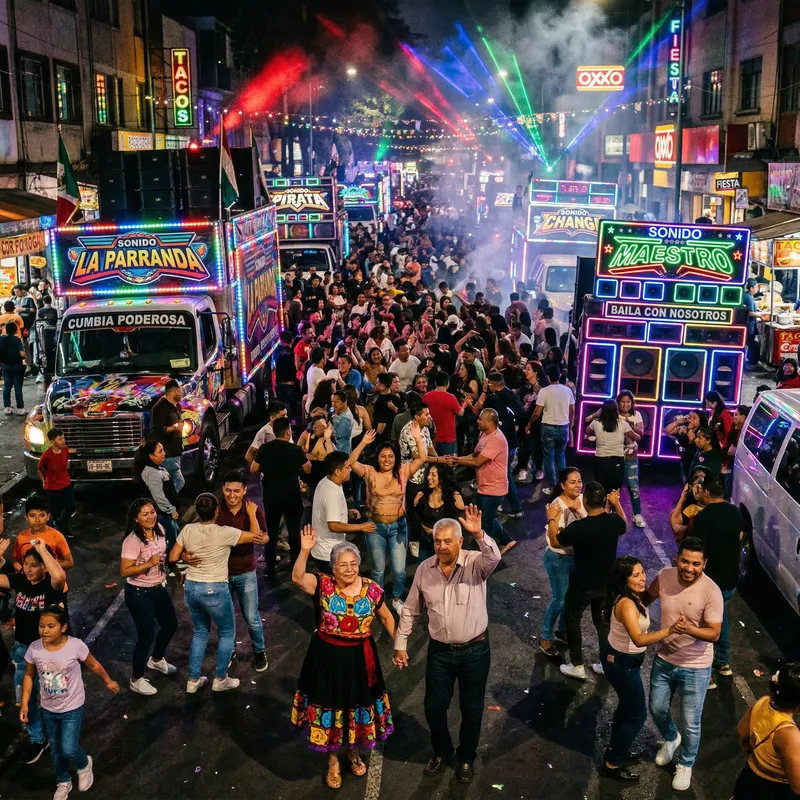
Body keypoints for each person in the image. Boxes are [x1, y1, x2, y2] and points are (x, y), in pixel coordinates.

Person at [393, 507, 501, 785]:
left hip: (475, 651)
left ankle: (466, 757)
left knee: (472, 707)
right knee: (433, 707)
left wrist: (480, 534)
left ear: (459, 541)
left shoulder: (476, 563)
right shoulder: (424, 570)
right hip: (440, 652)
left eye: (447, 541)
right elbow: (411, 609)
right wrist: (401, 644)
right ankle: (442, 750)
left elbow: (494, 557)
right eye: (437, 541)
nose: (441, 546)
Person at [291, 532, 396, 790]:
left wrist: (400, 646)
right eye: (342, 565)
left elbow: (387, 618)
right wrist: (304, 551)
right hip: (327, 660)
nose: (349, 569)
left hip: (360, 659)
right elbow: (296, 578)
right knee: (331, 705)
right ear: (333, 569)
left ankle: (352, 751)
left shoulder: (372, 590)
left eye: (353, 564)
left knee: (356, 705)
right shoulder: (323, 585)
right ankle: (333, 761)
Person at [643, 537, 723, 792]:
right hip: (665, 657)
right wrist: (623, 603)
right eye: (685, 561)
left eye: (696, 564)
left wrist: (688, 629)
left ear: (705, 564)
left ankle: (686, 763)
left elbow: (714, 634)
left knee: (691, 720)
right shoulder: (665, 576)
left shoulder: (712, 591)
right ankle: (670, 737)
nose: (689, 568)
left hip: (696, 666)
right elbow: (646, 597)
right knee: (656, 707)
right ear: (677, 557)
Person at [168, 493, 266, 693]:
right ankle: (220, 678)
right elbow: (256, 536)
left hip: (192, 587)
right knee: (228, 633)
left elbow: (173, 556)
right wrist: (252, 513)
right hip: (214, 589)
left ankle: (193, 680)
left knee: (200, 632)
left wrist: (186, 559)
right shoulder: (224, 532)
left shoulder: (188, 529)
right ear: (217, 511)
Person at [20, 605, 120, 799]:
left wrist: (108, 681)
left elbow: (93, 664)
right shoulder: (35, 648)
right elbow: (29, 676)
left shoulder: (75, 646)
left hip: (72, 707)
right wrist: (24, 703)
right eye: (41, 626)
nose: (45, 630)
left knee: (69, 748)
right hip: (48, 709)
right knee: (56, 750)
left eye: (50, 626)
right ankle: (63, 781)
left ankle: (84, 765)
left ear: (63, 627)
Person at [599, 557, 678, 783]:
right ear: (623, 579)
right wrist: (669, 631)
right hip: (621, 664)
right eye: (635, 575)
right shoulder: (625, 604)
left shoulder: (632, 596)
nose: (642, 578)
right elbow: (639, 638)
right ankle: (612, 763)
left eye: (642, 572)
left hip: (623, 662)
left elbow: (648, 597)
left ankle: (616, 748)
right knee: (637, 715)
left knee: (626, 708)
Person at [0, 538, 66, 766]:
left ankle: (60, 738)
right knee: (24, 699)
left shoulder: (52, 587)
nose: (28, 569)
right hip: (22, 651)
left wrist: (40, 548)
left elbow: (59, 576)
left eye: (34, 564)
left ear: (45, 567)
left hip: (48, 653)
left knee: (54, 698)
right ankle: (38, 739)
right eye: (26, 564)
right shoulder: (20, 581)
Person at [553, 483, 627, 679]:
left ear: (584, 502)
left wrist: (552, 518)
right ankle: (605, 664)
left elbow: (556, 540)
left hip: (581, 585)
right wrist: (617, 504)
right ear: (604, 501)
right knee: (602, 624)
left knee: (573, 618)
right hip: (605, 586)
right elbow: (624, 523)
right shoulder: (612, 522)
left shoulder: (579, 527)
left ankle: (577, 664)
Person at [349, 427, 427, 612]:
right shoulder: (369, 472)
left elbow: (422, 458)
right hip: (374, 527)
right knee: (378, 569)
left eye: (390, 456)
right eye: (383, 456)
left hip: (398, 527)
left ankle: (397, 598)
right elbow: (351, 462)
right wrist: (363, 443)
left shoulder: (403, 471)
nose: (386, 460)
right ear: (377, 458)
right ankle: (378, 600)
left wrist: (417, 439)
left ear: (396, 458)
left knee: (399, 569)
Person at [120, 498, 180, 696]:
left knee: (170, 624)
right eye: (144, 514)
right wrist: (148, 564)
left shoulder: (160, 529)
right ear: (136, 519)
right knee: (146, 635)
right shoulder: (132, 541)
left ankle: (156, 659)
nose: (150, 516)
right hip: (138, 593)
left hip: (158, 587)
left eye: (152, 512)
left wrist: (177, 571)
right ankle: (136, 679)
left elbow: (164, 555)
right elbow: (124, 571)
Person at [691, 473, 745, 687]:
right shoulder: (735, 512)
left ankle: (706, 672)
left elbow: (698, 548)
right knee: (721, 620)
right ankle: (723, 663)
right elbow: (740, 538)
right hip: (730, 579)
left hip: (710, 581)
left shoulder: (705, 516)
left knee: (704, 625)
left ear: (705, 492)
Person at [217, 472, 269, 672]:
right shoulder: (216, 510)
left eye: (237, 491)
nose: (232, 495)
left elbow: (264, 537)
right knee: (224, 617)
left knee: (251, 616)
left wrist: (262, 538)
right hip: (221, 573)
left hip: (246, 571)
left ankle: (259, 651)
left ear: (245, 490)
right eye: (228, 490)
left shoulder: (253, 510)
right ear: (222, 488)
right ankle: (228, 650)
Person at [449, 409, 517, 555]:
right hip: (485, 486)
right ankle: (507, 539)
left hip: (494, 488)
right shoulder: (484, 434)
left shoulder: (496, 439)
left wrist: (458, 461)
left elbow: (478, 461)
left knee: (486, 523)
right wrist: (457, 459)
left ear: (489, 421)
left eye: (480, 419)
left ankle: (488, 554)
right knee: (488, 517)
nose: (477, 421)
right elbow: (474, 455)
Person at [251, 417, 310, 576]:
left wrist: (268, 468)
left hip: (271, 497)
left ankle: (270, 567)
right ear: (288, 431)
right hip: (292, 497)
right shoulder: (295, 450)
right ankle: (295, 564)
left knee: (271, 531)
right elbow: (307, 469)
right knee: (294, 531)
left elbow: (253, 468)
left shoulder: (265, 449)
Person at [732, 663, 800, 799]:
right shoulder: (788, 733)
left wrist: (758, 761)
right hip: (773, 791)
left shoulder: (762, 702)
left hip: (749, 779)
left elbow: (742, 732)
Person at [538, 467, 584, 658]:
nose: (578, 485)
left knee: (571, 598)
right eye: (572, 482)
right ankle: (545, 637)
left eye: (579, 481)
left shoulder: (582, 500)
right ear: (563, 485)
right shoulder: (556, 506)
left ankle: (563, 630)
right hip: (558, 558)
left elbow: (588, 524)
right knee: (559, 600)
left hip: (576, 557)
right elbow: (556, 540)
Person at [310, 451, 376, 573]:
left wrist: (346, 511)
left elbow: (327, 509)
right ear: (337, 471)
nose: (350, 470)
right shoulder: (332, 493)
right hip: (328, 554)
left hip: (322, 550)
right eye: (347, 467)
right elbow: (333, 525)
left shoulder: (326, 482)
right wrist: (361, 527)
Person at [530, 365, 574, 495]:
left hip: (548, 427)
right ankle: (562, 485)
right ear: (560, 375)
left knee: (548, 457)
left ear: (548, 377)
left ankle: (552, 486)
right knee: (560, 456)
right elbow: (572, 410)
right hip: (564, 426)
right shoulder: (568, 391)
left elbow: (537, 412)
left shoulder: (544, 391)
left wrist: (529, 423)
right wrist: (570, 426)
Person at [13, 494, 74, 578]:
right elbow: (16, 561)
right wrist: (22, 571)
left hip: (53, 585)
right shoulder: (21, 537)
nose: (37, 520)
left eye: (42, 515)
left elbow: (69, 562)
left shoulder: (56, 536)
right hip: (31, 585)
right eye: (32, 515)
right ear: (26, 517)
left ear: (48, 517)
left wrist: (46, 567)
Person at [586, 400, 640, 493]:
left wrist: (595, 416)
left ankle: (601, 507)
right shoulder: (622, 424)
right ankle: (612, 508)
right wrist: (631, 427)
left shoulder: (596, 423)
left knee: (601, 490)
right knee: (614, 493)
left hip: (600, 461)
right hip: (617, 462)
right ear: (616, 410)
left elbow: (587, 431)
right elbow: (637, 437)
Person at [413, 464, 466, 560]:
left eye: (433, 475)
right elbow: (416, 518)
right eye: (428, 474)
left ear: (442, 478)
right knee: (424, 570)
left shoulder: (454, 497)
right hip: (426, 542)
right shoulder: (423, 496)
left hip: (445, 545)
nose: (429, 477)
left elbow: (458, 525)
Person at [135, 440, 181, 549]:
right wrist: (171, 510)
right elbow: (158, 497)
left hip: (165, 515)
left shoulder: (157, 467)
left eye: (163, 450)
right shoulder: (152, 473)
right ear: (151, 456)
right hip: (162, 515)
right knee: (170, 542)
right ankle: (172, 563)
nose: (164, 453)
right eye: (160, 451)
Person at [37, 428, 76, 540]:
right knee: (55, 511)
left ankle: (62, 525)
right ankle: (60, 531)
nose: (63, 441)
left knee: (71, 506)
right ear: (52, 441)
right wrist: (43, 480)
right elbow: (39, 468)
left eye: (63, 438)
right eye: (60, 439)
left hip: (65, 483)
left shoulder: (65, 450)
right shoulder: (47, 455)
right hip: (52, 487)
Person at [150, 379, 185, 493]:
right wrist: (175, 427)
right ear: (174, 392)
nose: (182, 394)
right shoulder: (160, 408)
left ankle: (164, 504)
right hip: (167, 454)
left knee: (168, 482)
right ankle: (166, 505)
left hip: (176, 451)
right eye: (180, 391)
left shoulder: (176, 406)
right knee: (179, 481)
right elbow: (158, 430)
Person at [424, 371, 464, 456]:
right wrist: (464, 405)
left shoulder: (426, 397)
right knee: (448, 465)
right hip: (448, 438)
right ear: (447, 383)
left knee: (433, 464)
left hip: (431, 437)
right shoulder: (451, 398)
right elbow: (460, 413)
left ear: (435, 382)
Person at [665, 409, 709, 484]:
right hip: (685, 460)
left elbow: (695, 442)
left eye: (694, 418)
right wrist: (677, 422)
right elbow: (667, 430)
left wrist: (690, 431)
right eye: (690, 417)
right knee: (686, 483)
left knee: (695, 484)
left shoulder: (703, 432)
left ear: (700, 420)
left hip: (697, 462)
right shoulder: (684, 428)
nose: (690, 419)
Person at [298, 417, 335, 497]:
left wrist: (327, 438)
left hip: (325, 469)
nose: (319, 429)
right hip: (311, 470)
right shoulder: (307, 435)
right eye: (317, 427)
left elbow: (332, 458)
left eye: (322, 427)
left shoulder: (329, 438)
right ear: (313, 427)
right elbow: (298, 451)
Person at [244, 400, 289, 465]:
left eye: (286, 414)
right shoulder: (263, 432)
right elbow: (248, 456)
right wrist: (262, 469)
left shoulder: (287, 426)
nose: (286, 417)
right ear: (272, 417)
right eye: (283, 416)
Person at [1, 321, 26, 414]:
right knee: (17, 387)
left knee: (7, 387)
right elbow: (22, 354)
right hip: (17, 366)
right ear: (15, 330)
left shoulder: (1, 339)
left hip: (5, 366)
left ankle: (7, 407)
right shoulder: (16, 339)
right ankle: (20, 408)